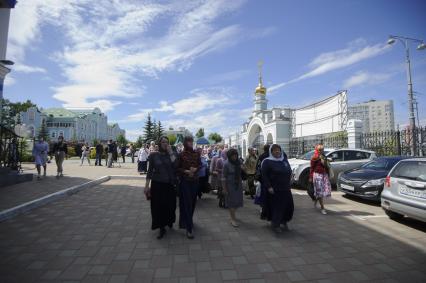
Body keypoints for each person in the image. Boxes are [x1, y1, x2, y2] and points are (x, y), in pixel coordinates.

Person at [144, 136, 178, 239]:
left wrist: (171, 152)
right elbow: (149, 172)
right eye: (163, 142)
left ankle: (169, 221)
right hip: (157, 185)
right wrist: (146, 186)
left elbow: (176, 165)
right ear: (159, 143)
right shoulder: (154, 155)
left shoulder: (172, 154)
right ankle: (161, 227)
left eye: (166, 142)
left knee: (171, 205)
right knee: (158, 207)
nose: (165, 144)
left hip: (170, 185)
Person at [261, 144, 294, 233]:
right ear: (271, 152)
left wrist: (291, 177)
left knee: (287, 206)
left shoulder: (284, 160)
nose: (277, 151)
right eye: (274, 150)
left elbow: (289, 170)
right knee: (277, 208)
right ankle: (275, 224)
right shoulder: (267, 162)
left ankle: (284, 221)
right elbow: (264, 176)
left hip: (286, 188)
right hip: (274, 190)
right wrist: (269, 187)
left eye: (278, 150)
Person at [177, 136, 201, 239]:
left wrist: (195, 169)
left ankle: (187, 221)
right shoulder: (181, 154)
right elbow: (178, 168)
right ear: (185, 143)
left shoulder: (196, 153)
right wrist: (186, 171)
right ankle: (189, 228)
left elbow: (200, 165)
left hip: (195, 181)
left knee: (192, 203)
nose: (190, 143)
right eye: (188, 141)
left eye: (191, 141)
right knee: (186, 203)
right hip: (185, 182)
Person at [222, 148, 244, 227]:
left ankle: (232, 215)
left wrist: (243, 168)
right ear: (229, 156)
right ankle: (232, 219)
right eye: (233, 156)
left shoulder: (238, 162)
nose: (235, 157)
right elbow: (223, 177)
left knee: (238, 201)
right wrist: (224, 188)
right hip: (230, 185)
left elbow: (244, 168)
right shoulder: (226, 164)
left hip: (238, 184)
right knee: (232, 202)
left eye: (236, 155)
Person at [309, 144, 331, 215]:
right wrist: (310, 177)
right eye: (319, 150)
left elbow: (327, 166)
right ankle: (322, 208)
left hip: (324, 175)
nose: (321, 151)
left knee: (325, 190)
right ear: (316, 150)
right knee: (320, 192)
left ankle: (316, 199)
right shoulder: (314, 157)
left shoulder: (324, 156)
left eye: (322, 149)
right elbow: (311, 168)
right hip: (317, 176)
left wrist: (327, 162)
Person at [255, 144, 271, 218]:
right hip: (271, 178)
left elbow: (257, 167)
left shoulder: (261, 156)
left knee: (263, 193)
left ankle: (263, 208)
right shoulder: (271, 156)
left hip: (262, 178)